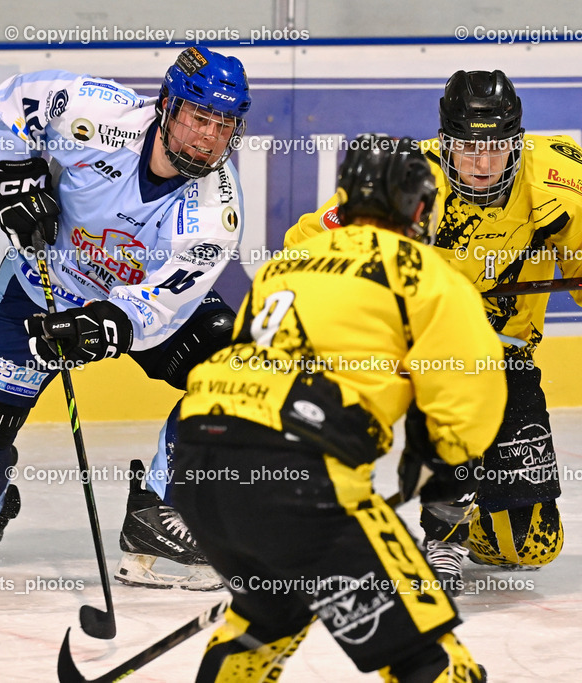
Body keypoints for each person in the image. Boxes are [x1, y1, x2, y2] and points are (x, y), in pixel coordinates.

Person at [285, 70, 582, 595]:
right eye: (467, 149)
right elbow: (306, 244)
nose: (482, 165)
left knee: (528, 547)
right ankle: (441, 536)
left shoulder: (563, 182)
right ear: (444, 144)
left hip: (507, 353)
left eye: (498, 149)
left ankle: (474, 505)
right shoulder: (404, 180)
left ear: (518, 143)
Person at [0, 46, 250, 592]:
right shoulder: (101, 115)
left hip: (131, 301)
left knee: (238, 369)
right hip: (43, 285)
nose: (210, 136)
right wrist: (16, 170)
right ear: (167, 107)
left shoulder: (217, 209)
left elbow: (159, 305)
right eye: (199, 117)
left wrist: (101, 327)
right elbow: (13, 101)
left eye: (225, 125)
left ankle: (162, 514)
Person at [171, 134, 505, 682]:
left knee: (268, 617)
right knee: (426, 655)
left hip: (199, 465)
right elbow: (469, 386)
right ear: (420, 206)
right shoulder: (421, 271)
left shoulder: (288, 263)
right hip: (303, 483)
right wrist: (442, 465)